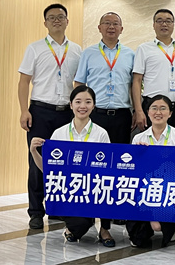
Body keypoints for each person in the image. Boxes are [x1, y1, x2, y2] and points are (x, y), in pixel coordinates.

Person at [18, 3, 82, 229]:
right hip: (40, 112)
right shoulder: (35, 48)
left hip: (66, 114)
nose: (56, 20)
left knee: (63, 163)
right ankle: (36, 212)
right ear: (45, 22)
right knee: (37, 162)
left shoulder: (76, 50)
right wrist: (24, 110)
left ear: (67, 21)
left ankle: (57, 208)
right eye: (52, 17)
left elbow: (79, 84)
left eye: (61, 17)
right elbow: (24, 81)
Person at [29, 85, 113, 245]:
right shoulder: (59, 133)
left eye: (88, 102)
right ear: (71, 104)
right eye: (78, 101)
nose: (83, 106)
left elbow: (108, 170)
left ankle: (104, 229)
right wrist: (34, 151)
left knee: (108, 186)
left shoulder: (101, 133)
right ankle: (72, 227)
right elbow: (48, 170)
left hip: (93, 191)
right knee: (80, 225)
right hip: (68, 192)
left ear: (94, 105)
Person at [127, 95, 175, 248]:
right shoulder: (139, 138)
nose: (158, 112)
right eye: (154, 108)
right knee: (138, 240)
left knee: (161, 229)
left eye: (163, 109)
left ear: (170, 113)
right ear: (148, 112)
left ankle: (166, 226)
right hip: (145, 189)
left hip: (169, 190)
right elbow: (133, 171)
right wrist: (139, 154)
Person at [74, 12, 135, 144]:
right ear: (99, 28)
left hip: (122, 115)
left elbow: (133, 85)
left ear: (121, 29)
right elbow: (79, 83)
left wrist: (136, 111)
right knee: (94, 153)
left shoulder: (130, 54)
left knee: (120, 153)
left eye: (115, 24)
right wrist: (79, 108)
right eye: (107, 23)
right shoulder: (88, 53)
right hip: (95, 114)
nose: (111, 27)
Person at [132, 9, 175, 132]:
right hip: (152, 108)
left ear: (173, 25)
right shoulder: (144, 49)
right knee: (150, 142)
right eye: (160, 21)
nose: (164, 24)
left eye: (168, 21)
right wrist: (138, 110)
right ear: (153, 25)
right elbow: (136, 81)